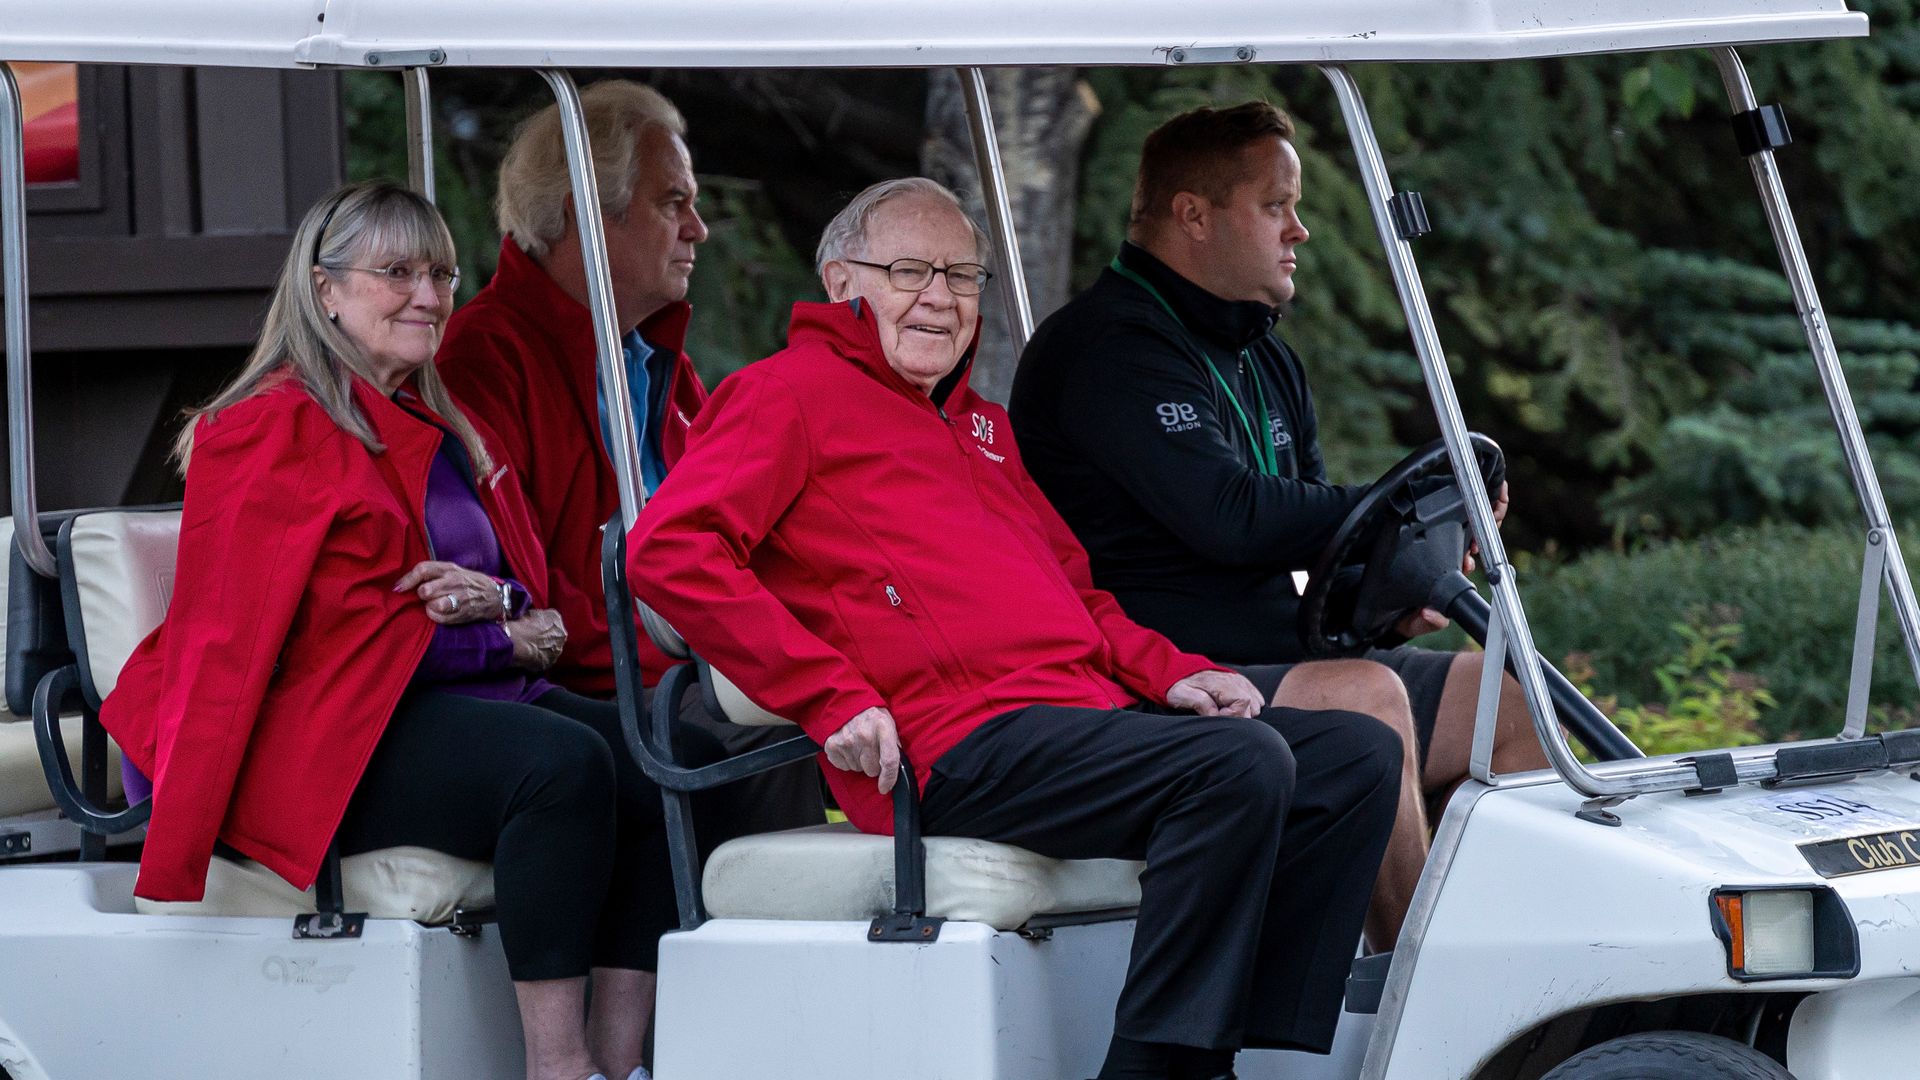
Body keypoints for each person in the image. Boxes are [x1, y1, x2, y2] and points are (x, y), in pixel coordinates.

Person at [627, 177, 1403, 1080]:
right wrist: (827, 694)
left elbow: (1079, 596)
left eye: (960, 275)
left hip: (1072, 721)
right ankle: (1162, 1070)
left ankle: (1244, 1049)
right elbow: (670, 552)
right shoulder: (784, 394)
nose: (939, 296)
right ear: (841, 283)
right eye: (909, 271)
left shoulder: (981, 428)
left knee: (1353, 755)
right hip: (947, 742)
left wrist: (1172, 672)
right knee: (1237, 764)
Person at [100, 181, 689, 1080]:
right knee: (559, 768)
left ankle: (620, 1059)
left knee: (663, 758)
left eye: (442, 275)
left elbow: (515, 587)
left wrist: (501, 605)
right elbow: (270, 636)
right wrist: (503, 635)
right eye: (398, 273)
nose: (429, 296)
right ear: (326, 289)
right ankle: (558, 1065)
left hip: (436, 699)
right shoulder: (269, 427)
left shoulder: (435, 419)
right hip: (315, 733)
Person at [1008, 101, 1549, 949]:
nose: (1300, 231)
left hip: (1274, 659)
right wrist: (1400, 504)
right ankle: (1425, 990)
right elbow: (1229, 518)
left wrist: (1390, 594)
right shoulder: (1108, 349)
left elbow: (1319, 540)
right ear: (1194, 214)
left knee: (1511, 698)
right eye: (1276, 207)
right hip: (1152, 677)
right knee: (1366, 699)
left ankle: (1519, 963)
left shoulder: (1264, 356)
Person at [437, 80, 821, 836]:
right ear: (584, 211)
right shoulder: (483, 362)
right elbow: (525, 589)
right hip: (585, 689)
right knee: (777, 735)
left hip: (681, 668)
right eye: (674, 203)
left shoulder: (659, 362)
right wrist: (722, 660)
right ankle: (766, 917)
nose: (699, 230)